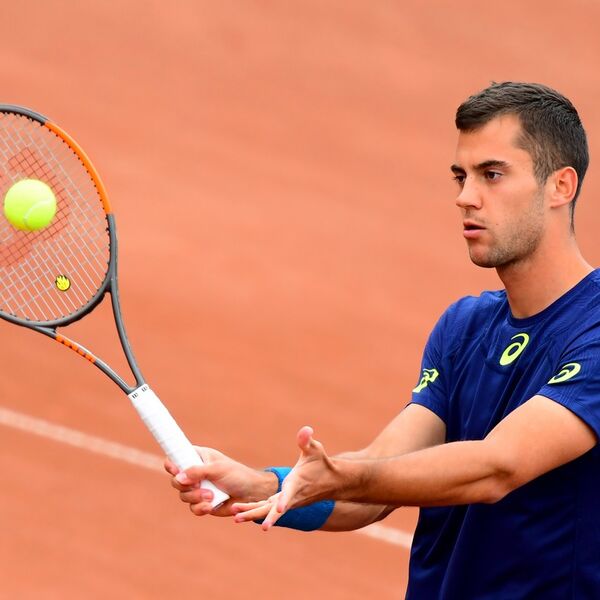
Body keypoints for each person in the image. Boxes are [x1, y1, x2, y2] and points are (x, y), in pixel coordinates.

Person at [166, 82, 600, 599]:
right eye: (461, 176)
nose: (465, 196)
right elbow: (375, 485)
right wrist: (263, 485)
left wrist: (341, 476)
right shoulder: (464, 327)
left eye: (492, 174)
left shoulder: (593, 329)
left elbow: (497, 467)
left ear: (560, 186)